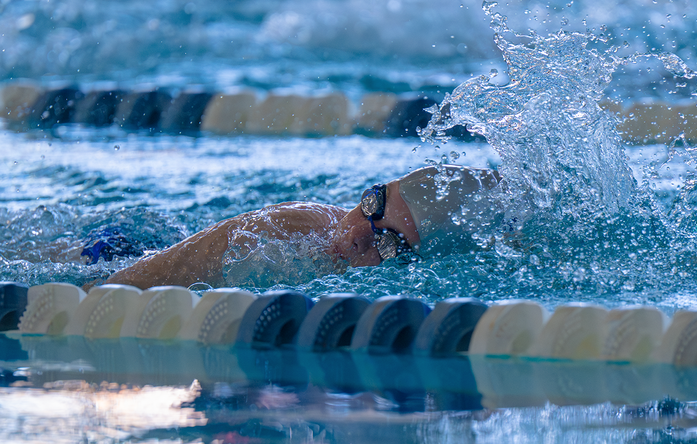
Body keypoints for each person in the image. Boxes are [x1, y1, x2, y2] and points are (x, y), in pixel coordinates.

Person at [102, 165, 501, 290]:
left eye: (389, 242)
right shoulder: (279, 235)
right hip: (111, 254)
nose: (360, 232)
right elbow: (116, 289)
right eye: (372, 205)